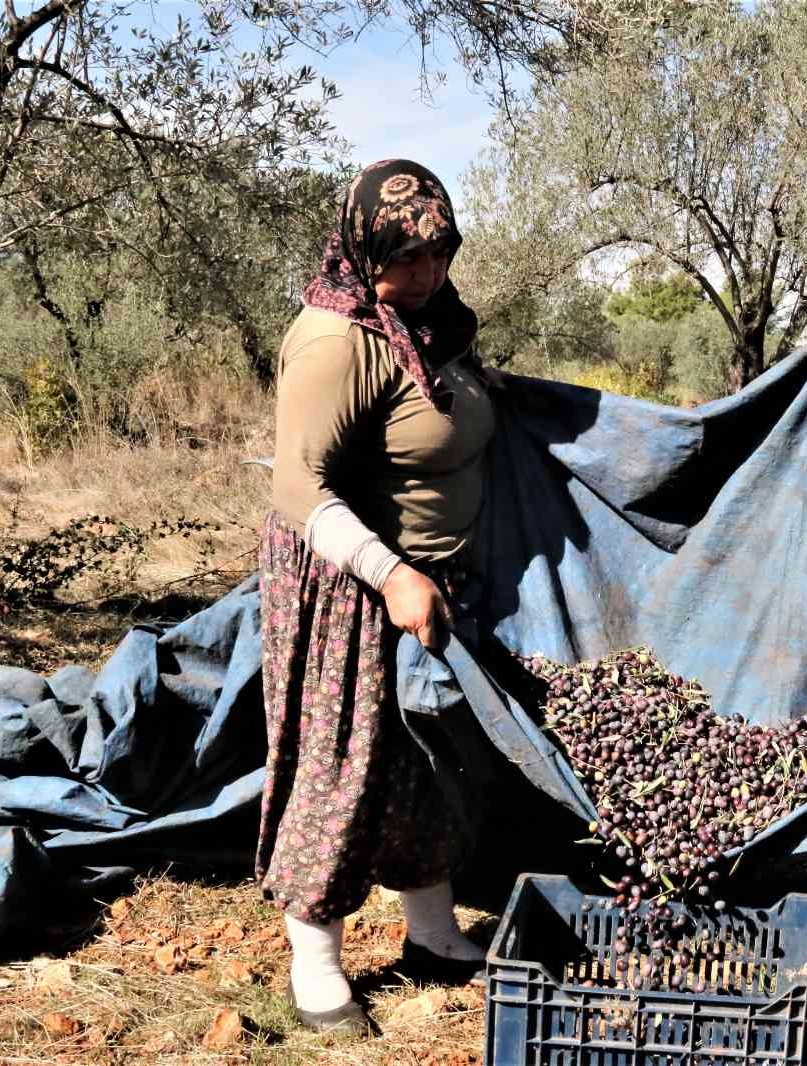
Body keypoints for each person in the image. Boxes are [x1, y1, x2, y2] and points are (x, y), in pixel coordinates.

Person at [256, 159, 500, 1034]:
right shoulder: (337, 341)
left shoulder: (427, 325)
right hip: (349, 587)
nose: (430, 272)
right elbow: (296, 486)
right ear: (366, 249)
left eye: (441, 253)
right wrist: (390, 571)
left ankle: (431, 935)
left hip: (425, 586)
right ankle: (314, 962)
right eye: (411, 256)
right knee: (342, 764)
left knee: (420, 766)